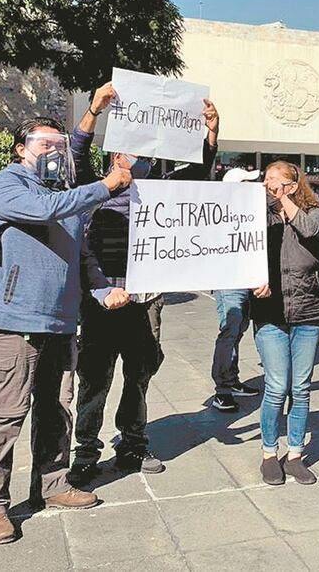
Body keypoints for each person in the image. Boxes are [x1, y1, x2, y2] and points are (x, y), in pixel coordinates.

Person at [0, 116, 132, 544]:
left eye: (58, 145)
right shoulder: (5, 185)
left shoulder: (66, 198)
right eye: (43, 144)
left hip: (61, 324)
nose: (53, 151)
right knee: (5, 416)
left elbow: (84, 258)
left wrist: (102, 292)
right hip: (14, 322)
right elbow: (43, 211)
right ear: (20, 150)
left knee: (56, 410)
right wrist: (107, 185)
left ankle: (52, 483)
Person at [67, 92, 223, 483]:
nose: (143, 158)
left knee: (140, 373)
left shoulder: (162, 189)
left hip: (146, 299)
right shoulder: (94, 188)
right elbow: (76, 155)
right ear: (117, 155)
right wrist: (94, 111)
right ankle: (86, 450)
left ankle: (133, 442)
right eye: (133, 151)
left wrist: (211, 133)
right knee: (95, 377)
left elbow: (199, 173)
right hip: (102, 298)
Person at [252, 161, 319, 486]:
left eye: (277, 180)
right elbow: (240, 254)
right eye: (266, 179)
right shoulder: (257, 215)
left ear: (294, 185)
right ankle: (270, 454)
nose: (269, 184)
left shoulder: (314, 211)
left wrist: (285, 201)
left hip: (308, 311)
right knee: (276, 386)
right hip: (269, 312)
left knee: (301, 387)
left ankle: (295, 453)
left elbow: (310, 232)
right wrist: (252, 281)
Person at [211, 167, 264, 412]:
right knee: (230, 330)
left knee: (238, 329)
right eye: (246, 182)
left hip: (247, 279)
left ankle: (231, 380)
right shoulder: (221, 213)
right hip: (229, 281)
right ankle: (222, 389)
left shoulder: (250, 211)